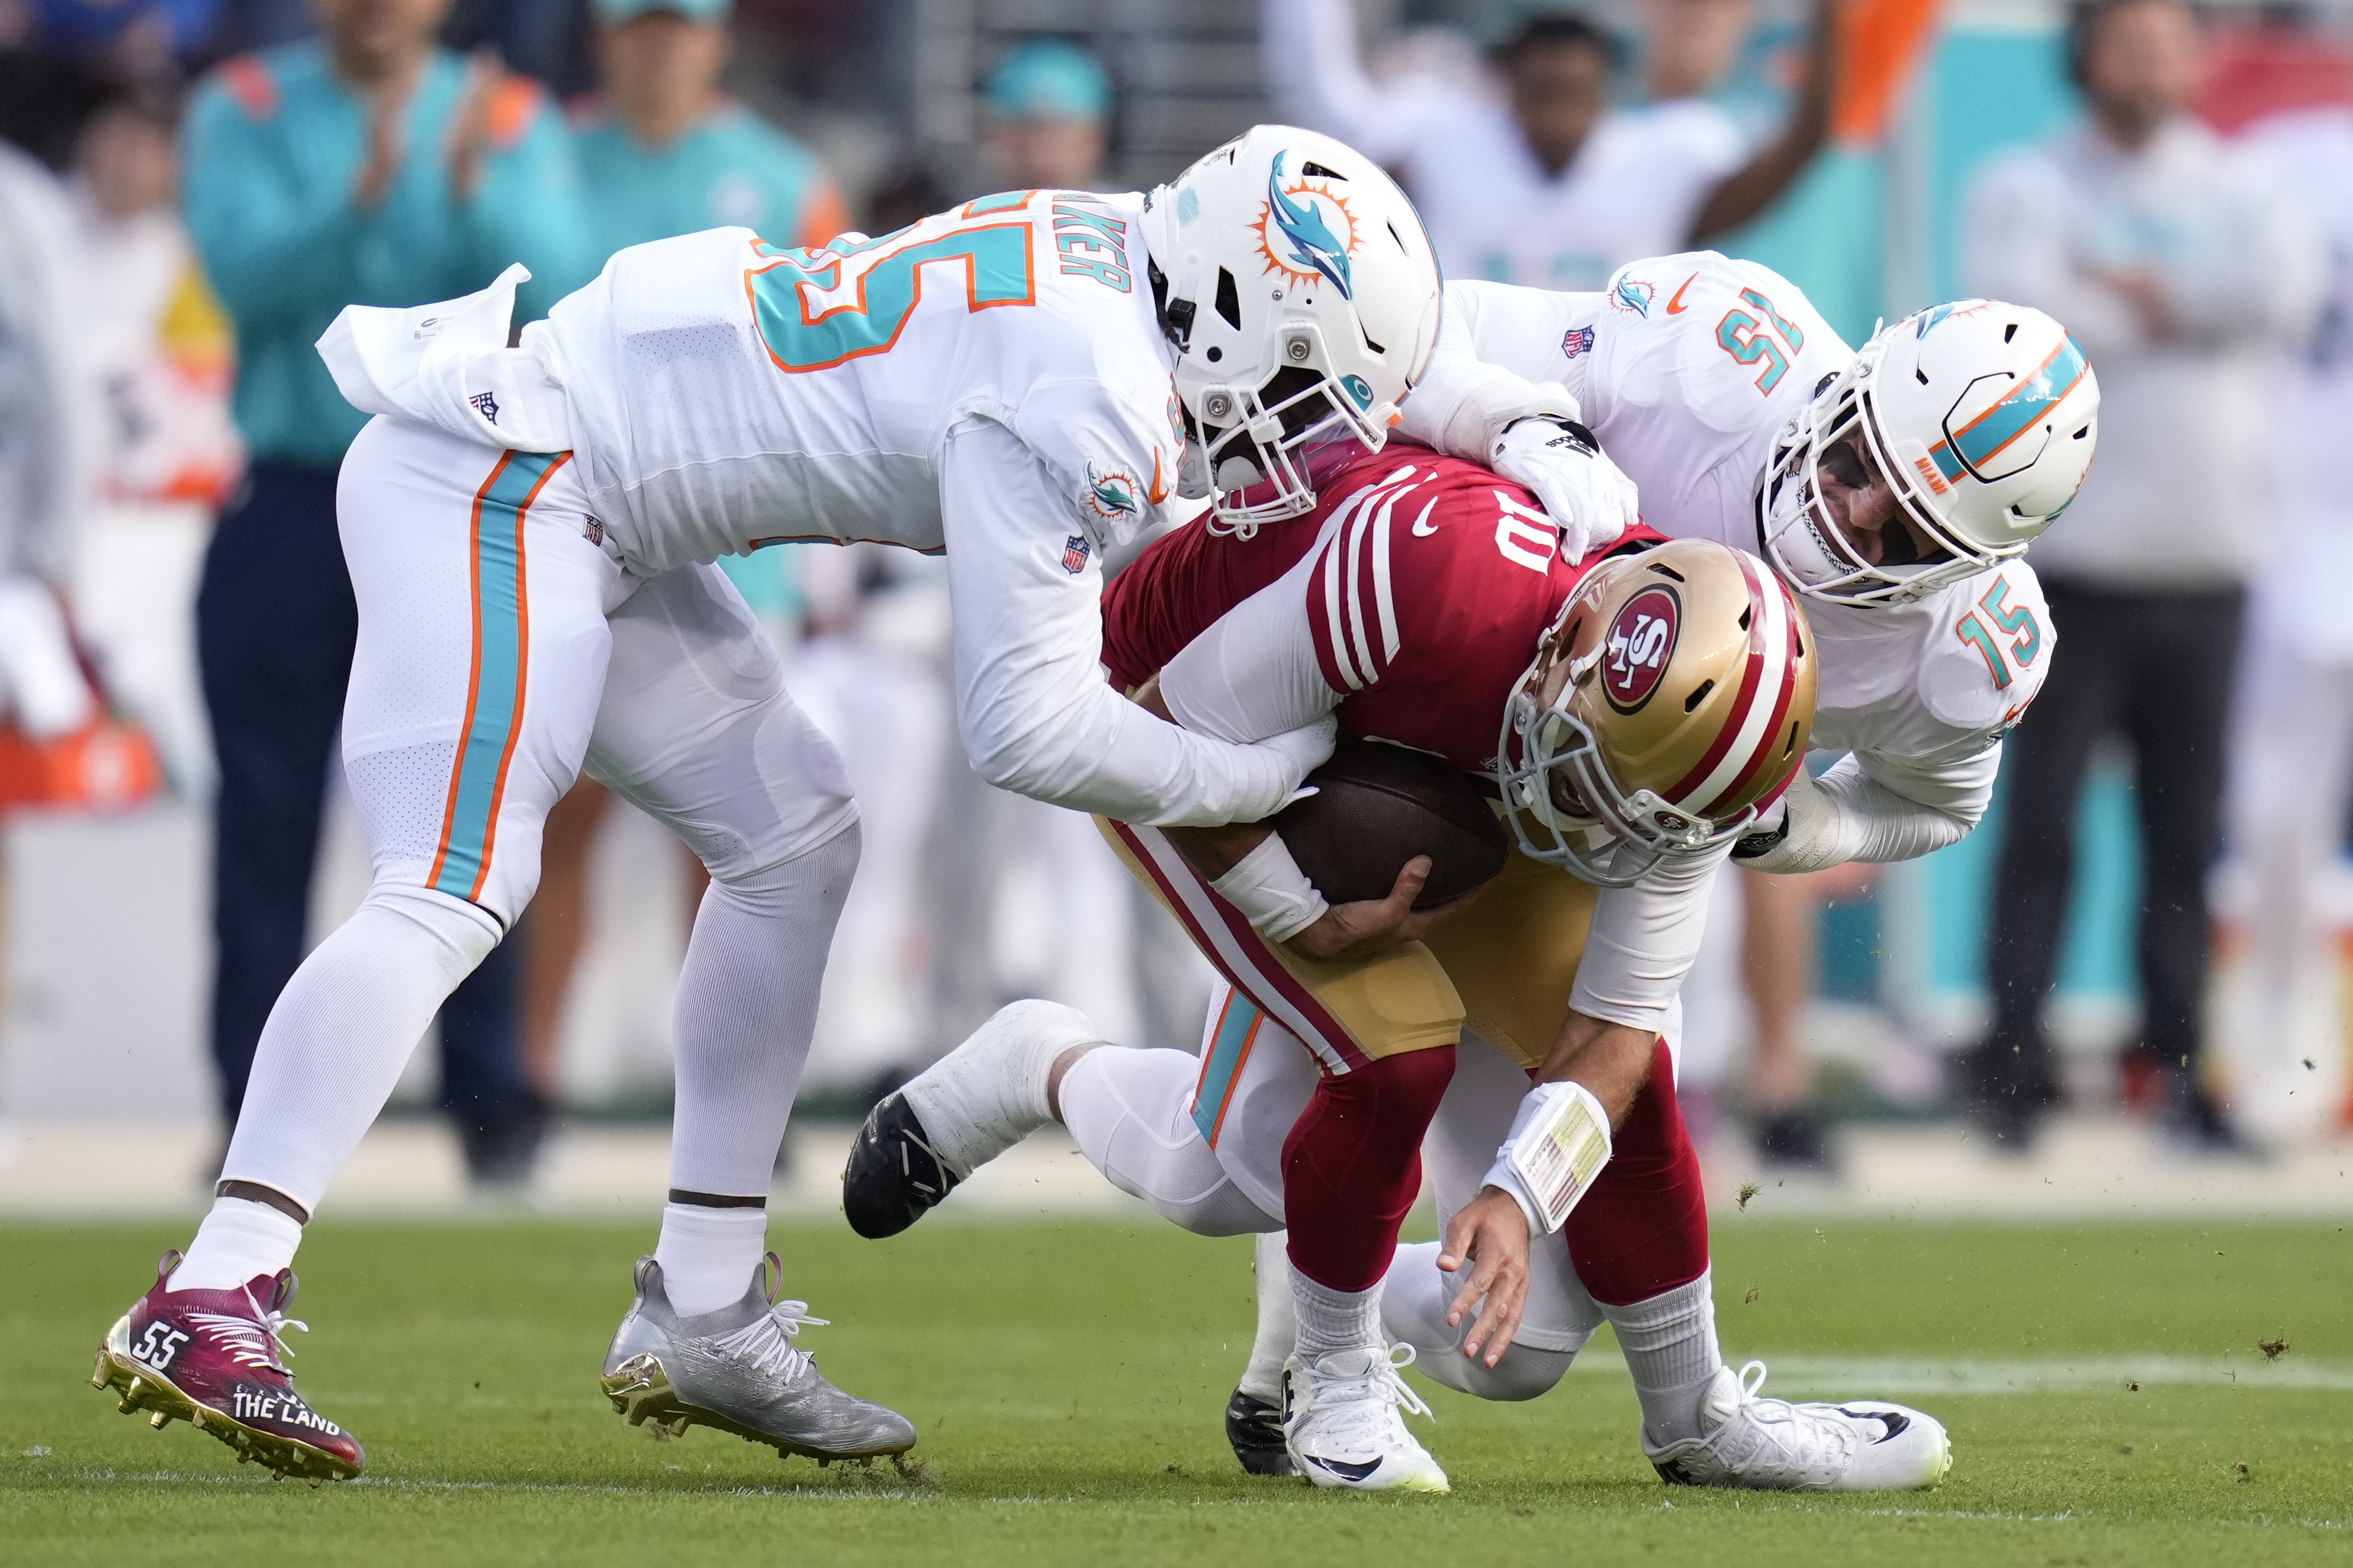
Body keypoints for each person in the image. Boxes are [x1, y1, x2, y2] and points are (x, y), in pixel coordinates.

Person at [90, 124, 1443, 1485]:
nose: (1288, 423)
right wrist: (1268, 783)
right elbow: (1025, 726)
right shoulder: (1090, 380)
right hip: (502, 479)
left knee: (794, 840)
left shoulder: (1128, 256)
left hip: (598, 495)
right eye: (1292, 376)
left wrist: (1536, 435)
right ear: (1225, 307)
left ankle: (705, 1301)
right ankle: (216, 1284)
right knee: (453, 884)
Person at [849, 256, 2097, 1491]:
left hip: (1616, 771)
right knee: (1272, 1135)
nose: (1851, 513)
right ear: (1847, 388)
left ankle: (1685, 1409)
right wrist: (1530, 433)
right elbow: (1393, 348)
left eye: (1905, 528)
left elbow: (1634, 1023)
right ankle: (1074, 1095)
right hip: (1329, 706)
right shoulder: (1679, 383)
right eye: (1851, 462)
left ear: (1968, 566)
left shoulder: (1891, 692)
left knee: (1524, 1333)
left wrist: (1769, 824)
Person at [179, 0, 599, 1189]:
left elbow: (560, 291)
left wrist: (470, 191)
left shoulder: (501, 115)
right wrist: (358, 192)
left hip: (452, 498)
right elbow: (237, 281)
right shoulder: (247, 107)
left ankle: (488, 1104)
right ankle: (250, 1116)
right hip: (297, 494)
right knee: (264, 817)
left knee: (478, 799)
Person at [1959, 0, 2320, 1150]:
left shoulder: (2247, 186)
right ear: (2083, 57)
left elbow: (2282, 297)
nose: (2150, 64)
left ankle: (2175, 1069)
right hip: (2066, 558)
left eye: (2169, 43)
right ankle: (2011, 1066)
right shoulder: (2023, 182)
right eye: (2129, 41)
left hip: (2204, 554)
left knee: (2184, 831)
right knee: (2042, 826)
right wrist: (2177, 303)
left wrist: (2122, 291)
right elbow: (2019, 318)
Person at [522, 0, 849, 1103]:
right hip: (577, 534)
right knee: (553, 824)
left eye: (677, 26)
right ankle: (528, 1080)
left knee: (731, 846)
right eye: (636, 26)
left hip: (734, 549)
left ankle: (723, 1094)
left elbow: (831, 364)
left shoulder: (783, 175)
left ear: (713, 41)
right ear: (603, 39)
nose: (657, 46)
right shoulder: (542, 156)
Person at [1262, 0, 1835, 289]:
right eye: (1543, 92)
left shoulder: (1668, 157)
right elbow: (1325, 98)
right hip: (1468, 418)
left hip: (1610, 424)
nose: (1559, 112)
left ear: (1606, 95)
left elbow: (1798, 147)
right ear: (1507, 91)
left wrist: (1834, 24)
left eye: (1575, 92)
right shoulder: (1445, 145)